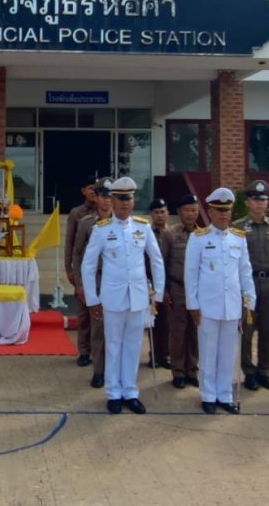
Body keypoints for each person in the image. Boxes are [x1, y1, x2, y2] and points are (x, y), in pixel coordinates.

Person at [81, 176, 165, 415]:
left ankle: (130, 391)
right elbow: (88, 265)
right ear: (112, 201)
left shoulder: (143, 227)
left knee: (133, 346)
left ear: (133, 201)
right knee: (113, 345)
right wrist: (92, 299)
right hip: (112, 297)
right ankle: (113, 393)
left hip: (138, 297)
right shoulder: (101, 229)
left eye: (129, 198)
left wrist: (157, 294)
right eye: (120, 199)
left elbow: (156, 260)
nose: (125, 203)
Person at [185, 187, 256, 414]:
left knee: (228, 353)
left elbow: (245, 271)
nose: (224, 214)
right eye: (219, 210)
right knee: (208, 352)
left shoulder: (238, 238)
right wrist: (193, 305)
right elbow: (191, 274)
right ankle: (208, 395)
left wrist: (249, 300)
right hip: (207, 306)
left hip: (232, 305)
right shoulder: (198, 238)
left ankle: (225, 395)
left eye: (227, 210)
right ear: (210, 212)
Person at [231, 180, 269, 393]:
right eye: (256, 199)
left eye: (263, 200)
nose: (260, 203)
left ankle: (264, 371)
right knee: (247, 329)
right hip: (248, 283)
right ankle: (249, 371)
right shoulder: (237, 227)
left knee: (267, 328)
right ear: (247, 202)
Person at [72, 177, 113, 389]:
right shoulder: (87, 223)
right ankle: (99, 371)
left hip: (116, 283)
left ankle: (115, 371)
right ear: (96, 198)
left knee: (116, 331)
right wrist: (80, 283)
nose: (107, 200)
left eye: (111, 196)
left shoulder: (123, 223)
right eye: (103, 196)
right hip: (95, 281)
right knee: (97, 329)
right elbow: (78, 253)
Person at [159, 195, 200, 389]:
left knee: (195, 331)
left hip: (198, 290)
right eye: (186, 210)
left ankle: (192, 369)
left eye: (194, 210)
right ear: (179, 212)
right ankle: (178, 371)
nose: (190, 214)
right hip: (177, 288)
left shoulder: (203, 234)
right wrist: (164, 290)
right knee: (178, 331)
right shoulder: (170, 234)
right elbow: (162, 264)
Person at [64, 177, 98, 367]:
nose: (93, 192)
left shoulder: (107, 212)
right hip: (84, 269)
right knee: (84, 314)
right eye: (90, 188)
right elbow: (70, 243)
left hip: (103, 271)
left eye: (96, 188)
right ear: (83, 190)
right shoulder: (77, 213)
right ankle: (84, 351)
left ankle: (99, 351)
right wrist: (69, 269)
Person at [146, 197, 171, 370]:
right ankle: (154, 355)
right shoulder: (146, 232)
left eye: (162, 212)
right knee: (153, 321)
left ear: (168, 213)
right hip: (151, 283)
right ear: (151, 214)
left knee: (168, 322)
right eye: (156, 212)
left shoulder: (173, 233)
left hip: (170, 282)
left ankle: (166, 355)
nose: (160, 215)